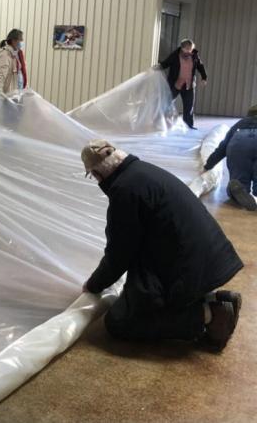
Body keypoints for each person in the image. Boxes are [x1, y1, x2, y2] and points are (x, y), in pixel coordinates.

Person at [80, 139, 243, 350]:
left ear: (97, 175)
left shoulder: (124, 191)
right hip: (210, 258)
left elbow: (119, 254)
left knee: (120, 321)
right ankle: (217, 300)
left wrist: (93, 285)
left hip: (189, 266)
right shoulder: (142, 171)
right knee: (139, 292)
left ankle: (211, 315)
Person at [204, 104, 257, 211]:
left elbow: (222, 148)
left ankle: (236, 189)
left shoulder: (240, 123)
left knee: (240, 179)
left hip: (239, 143)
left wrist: (208, 165)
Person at [157, 39, 207, 129]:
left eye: (191, 49)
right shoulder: (175, 55)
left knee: (189, 107)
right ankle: (161, 124)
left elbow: (200, 66)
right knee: (166, 104)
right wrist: (157, 68)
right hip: (175, 84)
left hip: (189, 86)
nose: (189, 51)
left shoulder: (194, 56)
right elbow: (165, 64)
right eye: (187, 49)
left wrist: (204, 78)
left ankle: (188, 126)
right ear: (182, 48)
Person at [0, 28, 26, 95]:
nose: (22, 42)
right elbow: (0, 74)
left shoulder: (17, 54)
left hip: (18, 91)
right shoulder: (5, 54)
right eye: (21, 40)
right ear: (13, 40)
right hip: (9, 93)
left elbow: (20, 73)